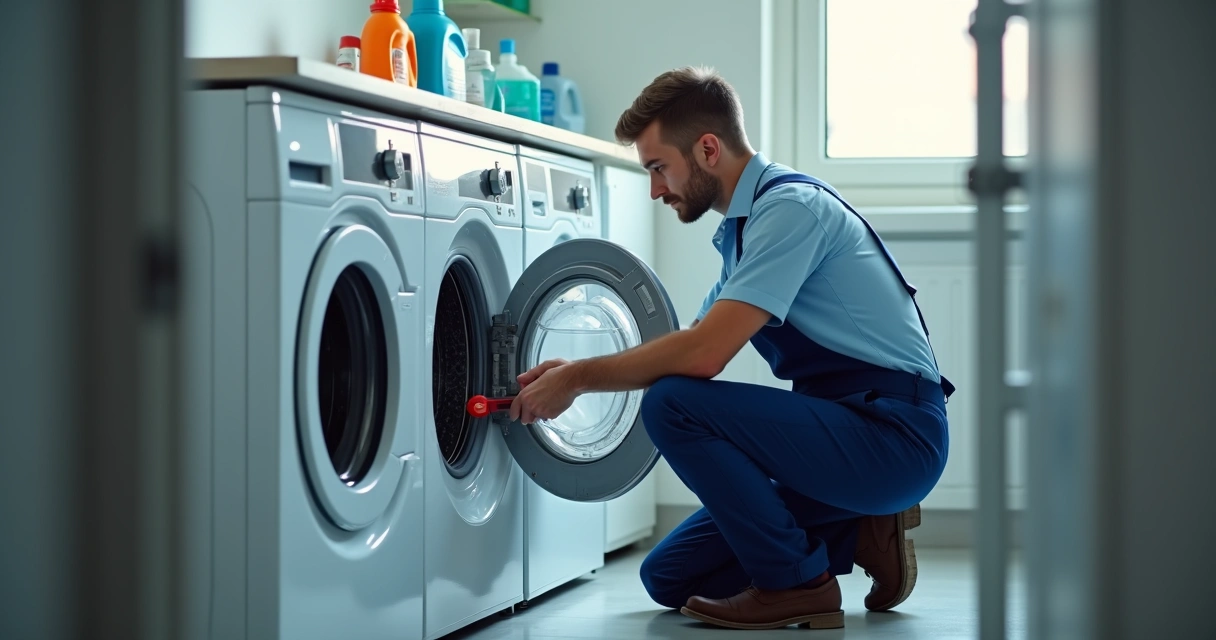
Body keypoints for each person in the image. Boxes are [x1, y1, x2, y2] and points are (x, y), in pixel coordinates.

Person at [508, 66, 954, 631]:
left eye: (658, 167)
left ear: (708, 149)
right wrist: (576, 367)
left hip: (893, 437)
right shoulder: (742, 234)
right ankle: (860, 527)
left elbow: (700, 358)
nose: (655, 189)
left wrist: (579, 380)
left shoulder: (790, 210)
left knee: (671, 402)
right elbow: (690, 344)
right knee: (669, 578)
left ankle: (798, 584)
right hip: (845, 437)